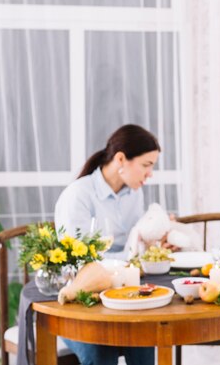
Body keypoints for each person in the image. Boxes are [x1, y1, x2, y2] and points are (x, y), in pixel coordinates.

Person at [54, 124, 159, 365]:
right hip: (79, 301)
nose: (150, 174)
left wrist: (151, 243)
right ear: (121, 159)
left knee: (144, 338)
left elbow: (134, 245)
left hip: (120, 294)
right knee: (101, 352)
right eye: (146, 165)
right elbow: (81, 263)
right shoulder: (78, 195)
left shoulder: (133, 193)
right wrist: (131, 255)